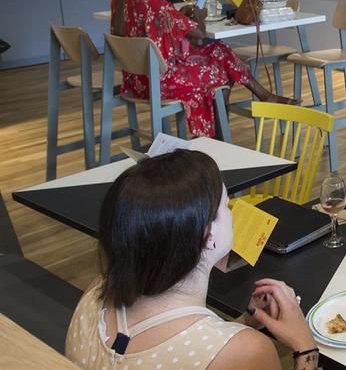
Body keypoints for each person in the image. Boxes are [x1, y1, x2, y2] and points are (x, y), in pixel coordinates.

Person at [66, 149, 319, 370]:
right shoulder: (248, 353)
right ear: (208, 235)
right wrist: (304, 345)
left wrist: (244, 323)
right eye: (226, 205)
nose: (231, 213)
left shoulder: (95, 293)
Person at [110, 0, 294, 138]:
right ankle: (213, 139)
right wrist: (198, 16)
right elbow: (199, 35)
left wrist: (177, 16)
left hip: (135, 81)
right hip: (159, 83)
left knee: (219, 50)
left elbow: (148, 26)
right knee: (222, 70)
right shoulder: (154, 2)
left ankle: (252, 105)